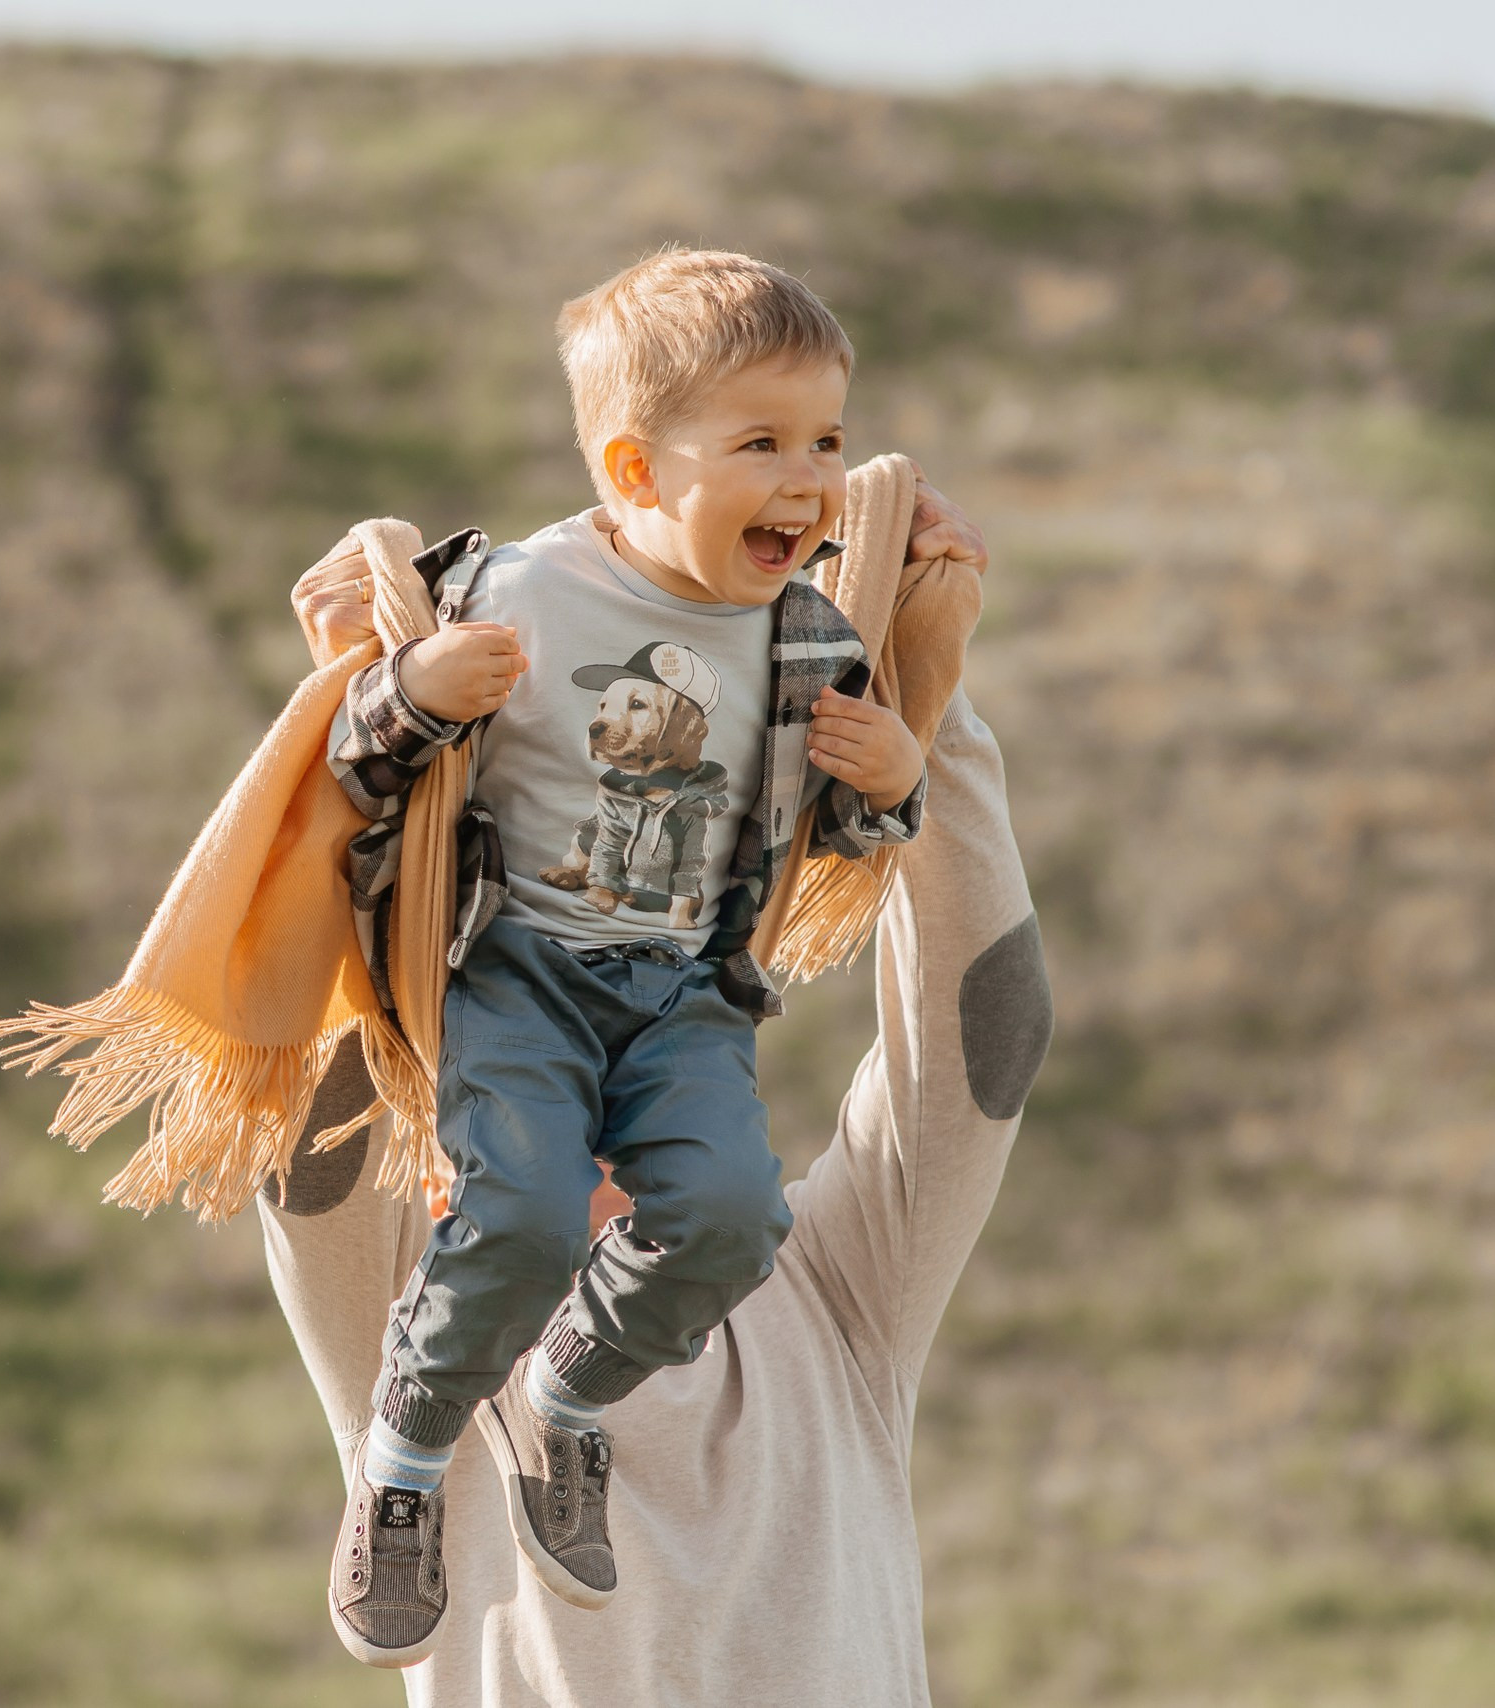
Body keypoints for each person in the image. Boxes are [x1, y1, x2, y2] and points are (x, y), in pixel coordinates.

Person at [275, 474, 1044, 1704]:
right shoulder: (415, 1330)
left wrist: (914, 702)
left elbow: (984, 1037)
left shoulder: (831, 1294)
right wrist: (356, 733)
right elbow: (304, 1110)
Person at [315, 250, 933, 1665]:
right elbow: (354, 770)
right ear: (638, 470)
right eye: (764, 443)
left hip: (680, 991)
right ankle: (404, 1462)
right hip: (519, 970)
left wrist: (892, 767)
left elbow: (860, 818)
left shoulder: (805, 637)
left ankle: (568, 1408)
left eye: (828, 441)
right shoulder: (511, 592)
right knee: (522, 1223)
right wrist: (410, 689)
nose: (811, 480)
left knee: (730, 1217)